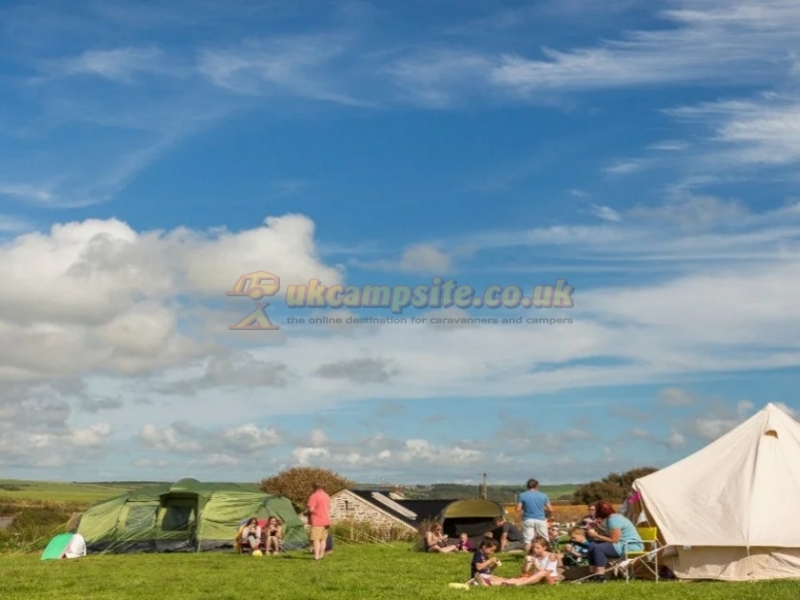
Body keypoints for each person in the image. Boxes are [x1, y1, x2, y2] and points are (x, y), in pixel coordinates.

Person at [584, 500, 643, 582]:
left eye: (594, 510)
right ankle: (592, 574)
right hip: (621, 543)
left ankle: (600, 576)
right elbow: (611, 535)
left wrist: (596, 535)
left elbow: (614, 540)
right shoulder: (611, 518)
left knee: (598, 548)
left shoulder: (613, 520)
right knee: (592, 545)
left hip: (629, 546)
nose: (593, 513)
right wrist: (598, 528)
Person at [516, 478, 552, 553]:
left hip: (528, 519)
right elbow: (550, 509)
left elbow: (518, 509)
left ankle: (528, 557)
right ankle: (547, 554)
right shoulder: (543, 495)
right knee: (545, 538)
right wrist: (546, 514)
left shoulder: (522, 495)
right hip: (540, 519)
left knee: (528, 539)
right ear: (537, 486)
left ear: (527, 486)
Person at [307, 481, 331, 561]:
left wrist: (306, 514)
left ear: (314, 487)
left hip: (317, 520)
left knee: (316, 539)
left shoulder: (314, 496)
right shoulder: (326, 496)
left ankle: (316, 557)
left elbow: (311, 509)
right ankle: (321, 555)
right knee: (323, 539)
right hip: (326, 520)